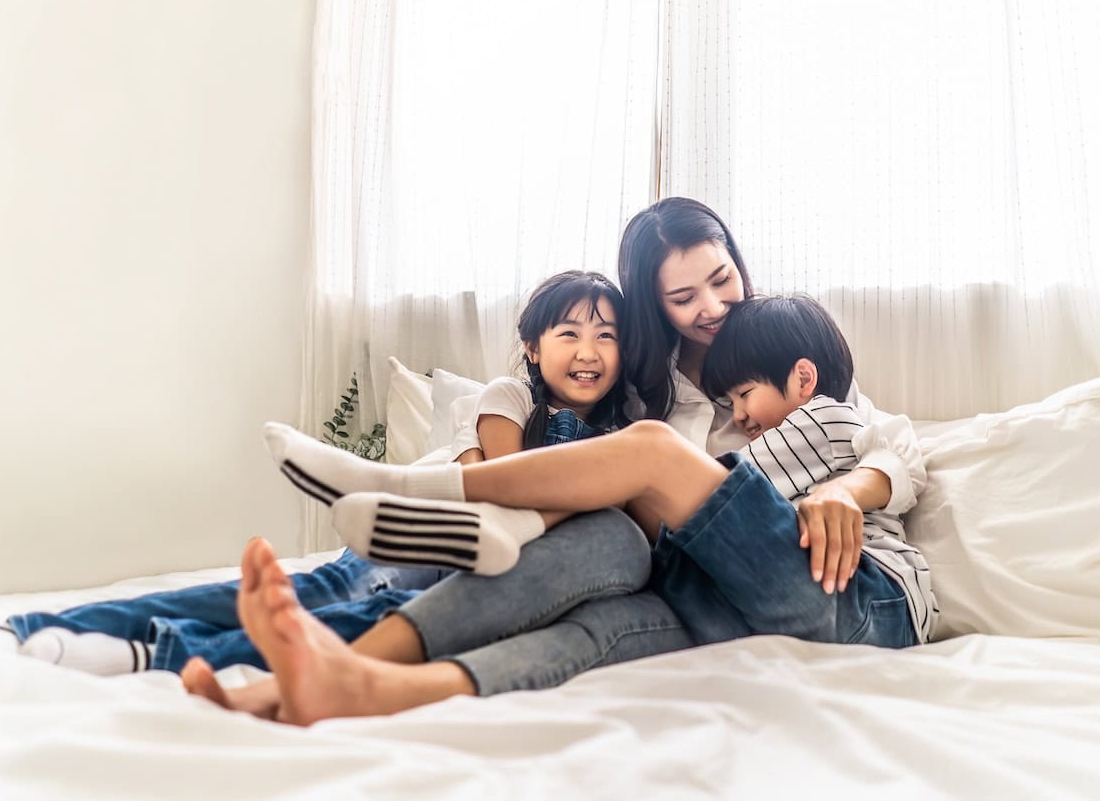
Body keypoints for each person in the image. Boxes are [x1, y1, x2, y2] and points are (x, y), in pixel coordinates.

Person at [183, 199, 928, 721]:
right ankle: (337, 681)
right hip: (717, 603)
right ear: (653, 304)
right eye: (682, 294)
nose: (711, 304)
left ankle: (407, 485)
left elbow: (893, 443)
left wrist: (850, 492)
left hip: (842, 591)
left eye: (722, 278)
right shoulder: (648, 392)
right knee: (597, 591)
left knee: (649, 457)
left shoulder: (787, 349)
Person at [9, 270, 638, 675]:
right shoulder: (511, 397)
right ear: (533, 346)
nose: (589, 352)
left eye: (607, 337)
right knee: (328, 592)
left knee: (394, 620)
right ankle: (67, 624)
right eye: (569, 333)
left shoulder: (624, 432)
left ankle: (150, 654)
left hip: (491, 565)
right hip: (428, 525)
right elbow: (515, 474)